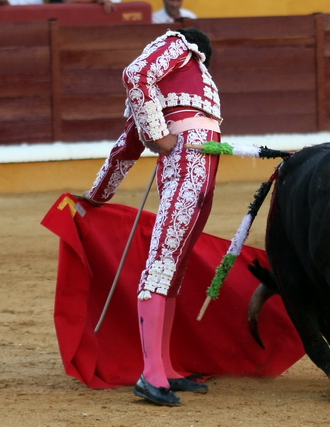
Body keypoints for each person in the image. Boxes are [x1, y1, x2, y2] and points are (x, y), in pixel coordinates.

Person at [78, 28, 221, 407]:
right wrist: (159, 135)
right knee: (161, 266)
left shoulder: (166, 91)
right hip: (187, 158)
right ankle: (150, 374)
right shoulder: (179, 45)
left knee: (172, 268)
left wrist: (97, 196)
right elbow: (135, 74)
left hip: (202, 161)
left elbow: (125, 148)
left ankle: (165, 367)